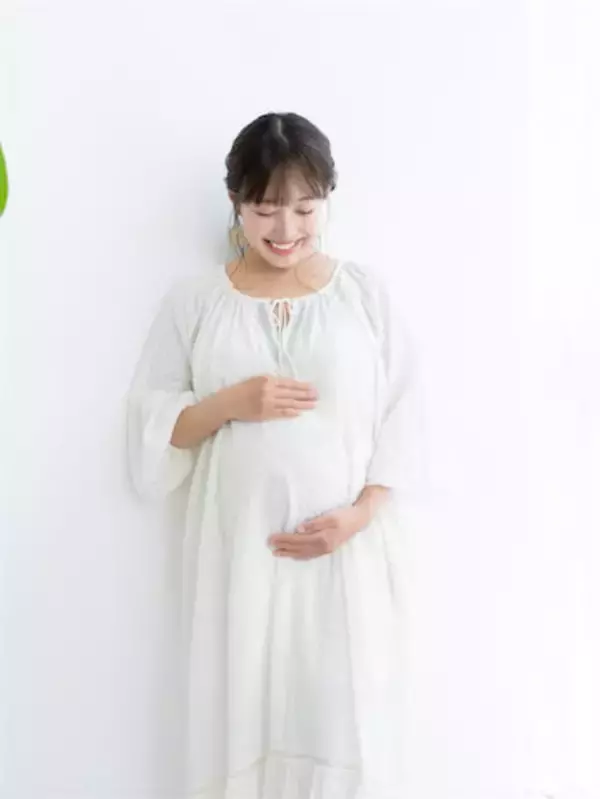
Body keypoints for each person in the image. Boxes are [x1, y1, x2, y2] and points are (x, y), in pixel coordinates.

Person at [127, 112, 424, 799]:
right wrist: (234, 401)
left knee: (344, 726)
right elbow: (152, 428)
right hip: (241, 560)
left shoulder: (363, 295)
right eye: (265, 210)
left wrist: (359, 516)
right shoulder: (198, 301)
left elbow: (408, 417)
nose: (286, 229)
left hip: (345, 560)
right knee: (245, 721)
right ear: (236, 202)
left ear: (327, 200)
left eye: (304, 209)